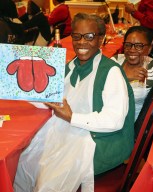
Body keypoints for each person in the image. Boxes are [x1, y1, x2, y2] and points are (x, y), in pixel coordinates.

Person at [13, 13, 135, 192]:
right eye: (77, 36)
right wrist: (22, 89)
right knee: (24, 158)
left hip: (100, 140)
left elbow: (114, 120)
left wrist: (72, 117)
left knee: (50, 175)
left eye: (89, 36)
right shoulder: (69, 67)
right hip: (73, 129)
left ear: (101, 39)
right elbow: (50, 97)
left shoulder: (111, 72)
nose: (82, 42)